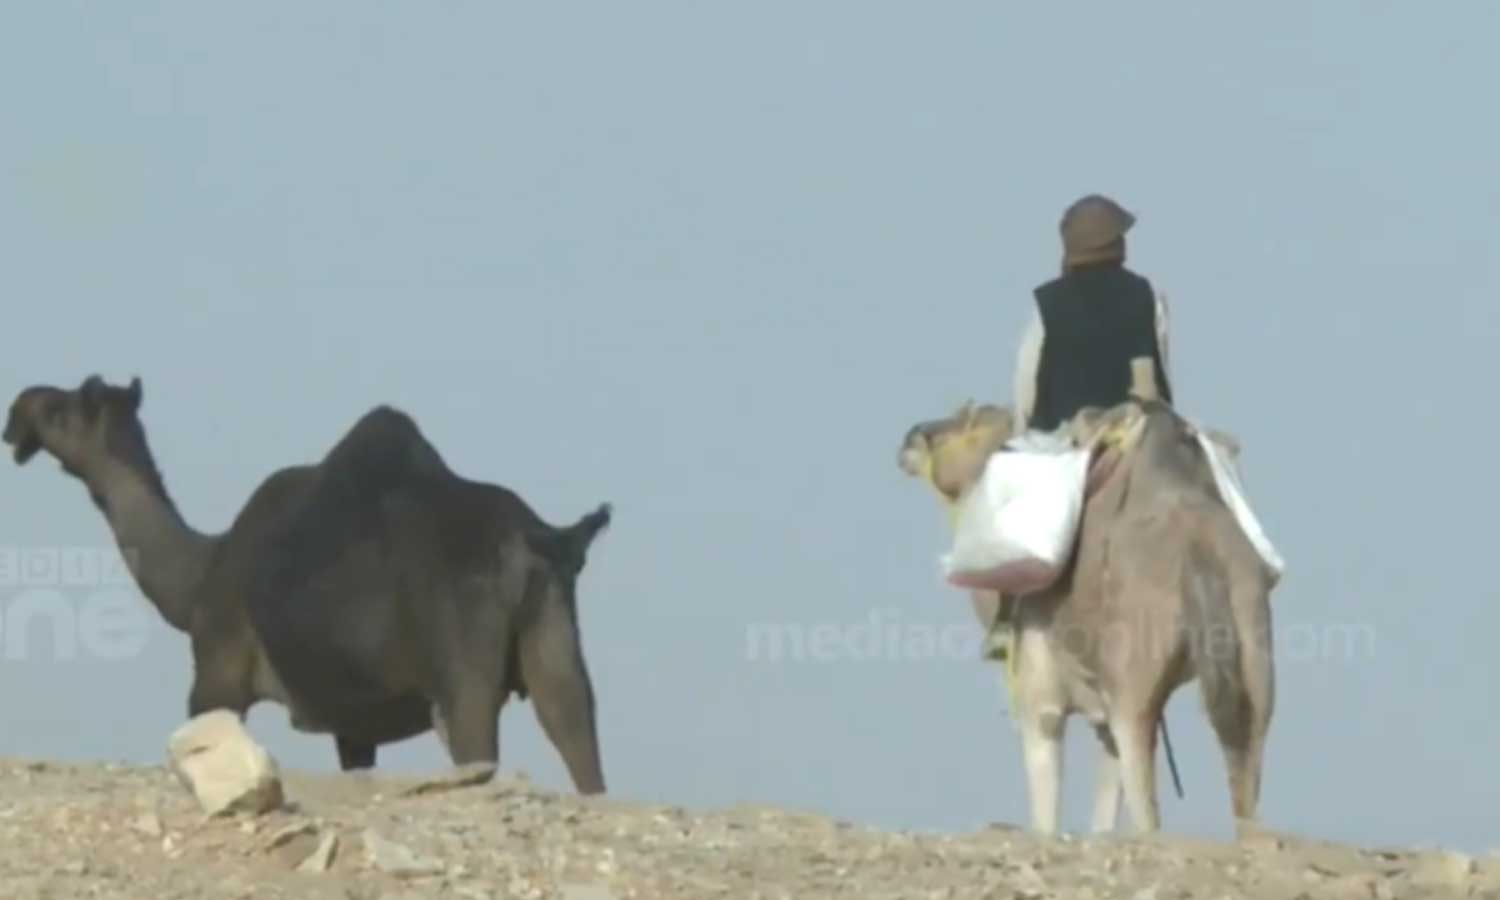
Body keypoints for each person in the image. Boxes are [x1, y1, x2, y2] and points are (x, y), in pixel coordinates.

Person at [982, 193, 1174, 661]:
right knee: (1212, 468)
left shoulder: (1046, 305)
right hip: (1137, 429)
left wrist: (1023, 435)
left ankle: (1008, 616)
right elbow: (1160, 369)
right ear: (1118, 246)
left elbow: (1027, 383)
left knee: (1009, 506)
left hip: (1065, 439)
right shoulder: (1148, 296)